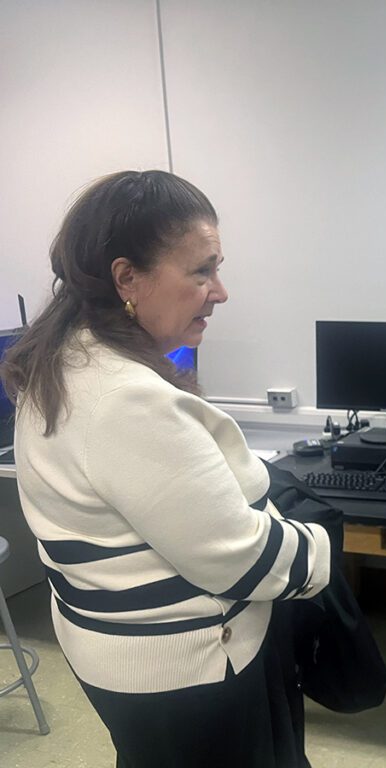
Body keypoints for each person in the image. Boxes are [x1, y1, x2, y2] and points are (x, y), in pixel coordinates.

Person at [0, 170, 332, 767]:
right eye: (201, 271)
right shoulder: (125, 399)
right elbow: (240, 559)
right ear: (128, 278)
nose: (220, 292)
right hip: (191, 671)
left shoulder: (61, 360)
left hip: (122, 665)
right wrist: (320, 547)